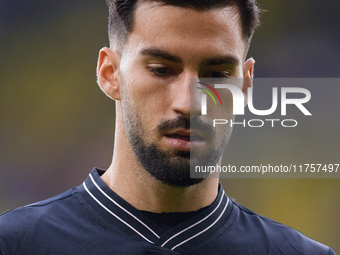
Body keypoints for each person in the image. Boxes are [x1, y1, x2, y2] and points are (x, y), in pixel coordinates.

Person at [0, 0, 336, 254]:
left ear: (245, 86)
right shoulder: (15, 244)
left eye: (216, 75)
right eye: (162, 69)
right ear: (110, 74)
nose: (190, 104)